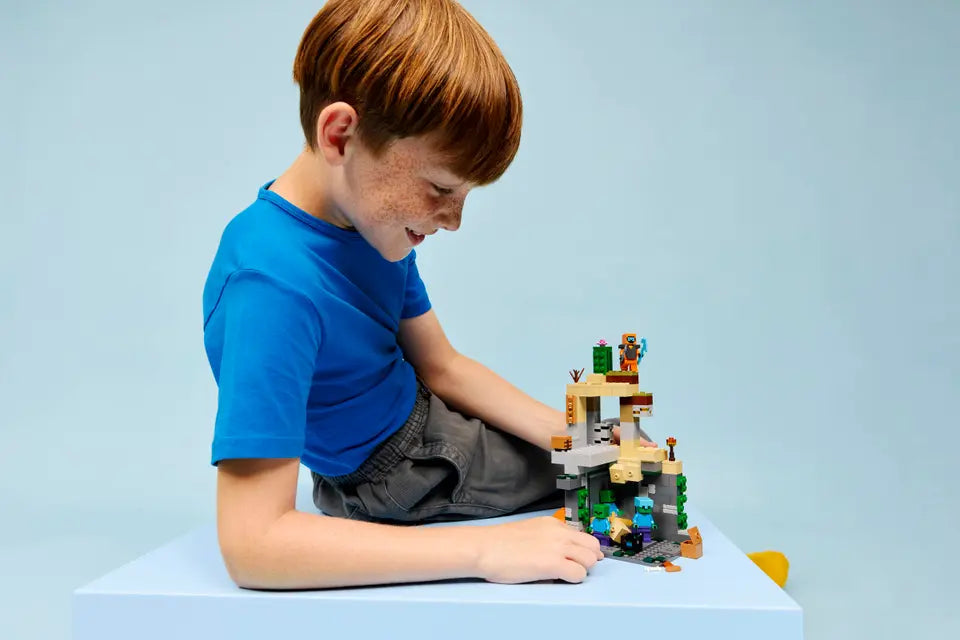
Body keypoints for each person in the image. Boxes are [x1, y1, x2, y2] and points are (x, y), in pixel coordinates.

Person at [201, 0, 610, 590]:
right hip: (400, 472)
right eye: (440, 188)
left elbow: (443, 366)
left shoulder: (366, 220)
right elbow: (253, 545)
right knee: (593, 482)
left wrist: (581, 438)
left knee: (605, 457)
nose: (454, 221)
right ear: (340, 135)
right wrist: (485, 551)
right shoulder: (270, 286)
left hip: (423, 417)